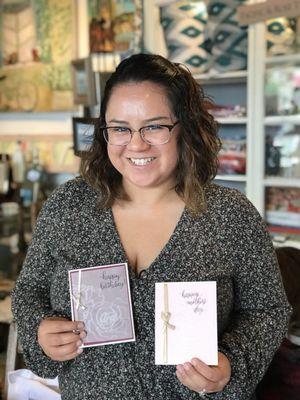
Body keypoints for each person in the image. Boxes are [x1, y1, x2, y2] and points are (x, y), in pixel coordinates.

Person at [12, 54, 291, 400]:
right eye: (120, 128)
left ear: (185, 128)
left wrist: (231, 364)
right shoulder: (69, 206)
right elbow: (29, 291)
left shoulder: (231, 217)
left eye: (154, 126)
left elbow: (267, 310)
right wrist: (41, 330)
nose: (136, 143)